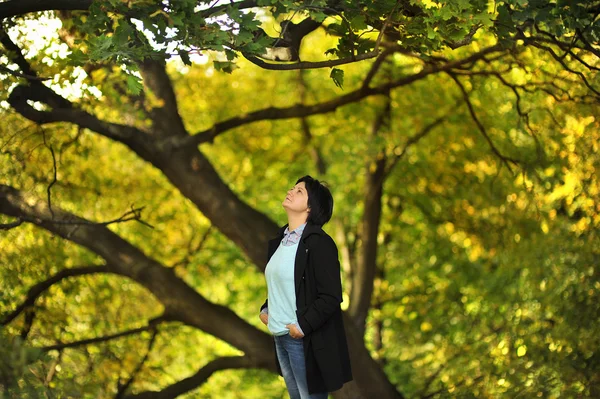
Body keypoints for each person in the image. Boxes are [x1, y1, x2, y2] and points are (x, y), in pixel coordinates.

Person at [259, 175, 353, 399]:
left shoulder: (319, 243)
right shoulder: (279, 242)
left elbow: (330, 296)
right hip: (280, 336)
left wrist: (301, 326)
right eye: (293, 188)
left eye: (299, 191)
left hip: (303, 339)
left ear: (311, 208)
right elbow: (285, 286)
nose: (291, 191)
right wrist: (266, 309)